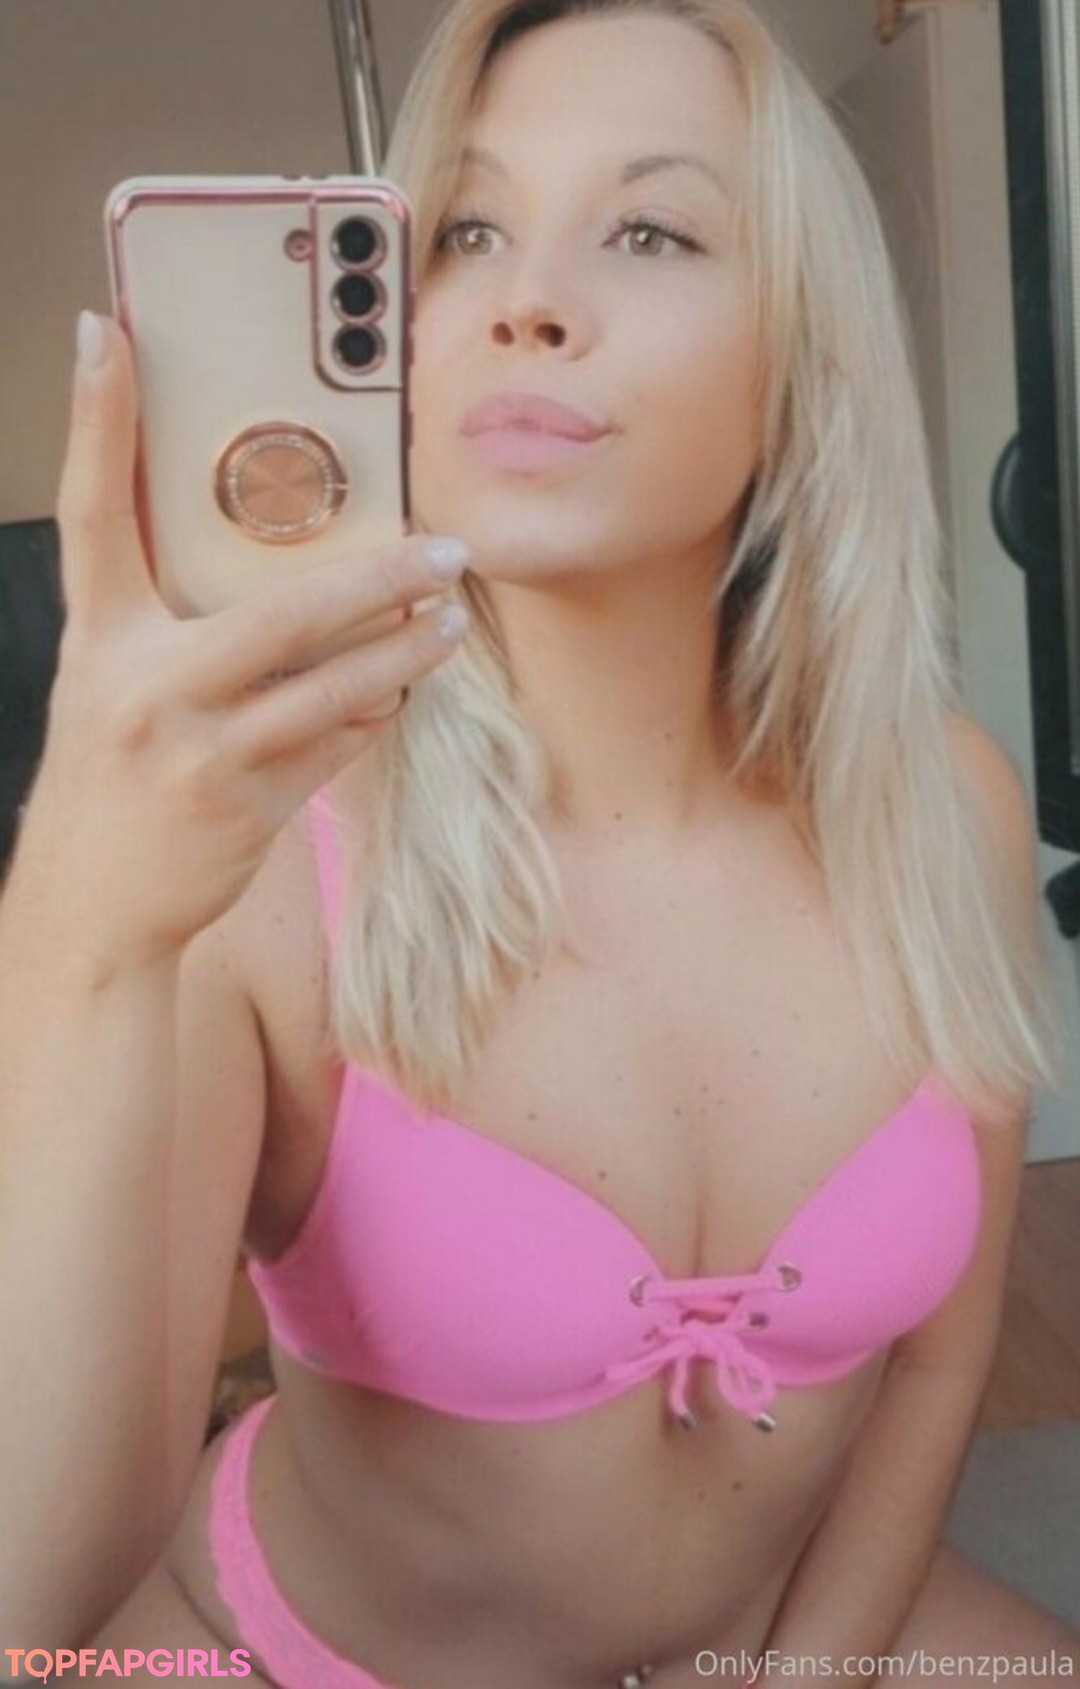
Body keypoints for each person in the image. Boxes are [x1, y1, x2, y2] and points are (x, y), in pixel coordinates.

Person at [2, 1, 1077, 1685]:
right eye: (465, 230)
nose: (528, 302)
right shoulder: (268, 868)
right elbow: (32, 1609)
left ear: (804, 355)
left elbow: (938, 1370)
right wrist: (82, 929)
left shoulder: (949, 807)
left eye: (649, 230)